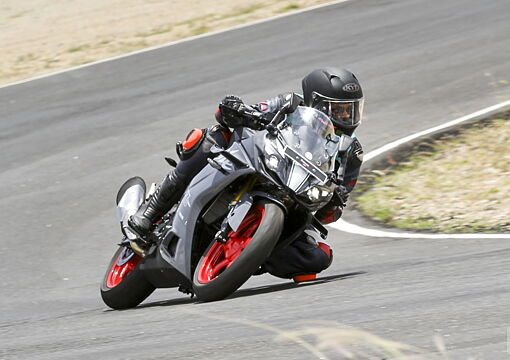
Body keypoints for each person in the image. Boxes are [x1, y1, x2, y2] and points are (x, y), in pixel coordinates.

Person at [126, 67, 364, 281]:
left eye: (351, 111)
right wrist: (236, 109)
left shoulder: (351, 151)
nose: (346, 117)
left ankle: (247, 254)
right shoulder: (291, 105)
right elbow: (250, 112)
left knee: (317, 258)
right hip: (265, 164)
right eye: (339, 110)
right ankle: (151, 210)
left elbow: (340, 197)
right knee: (212, 137)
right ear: (315, 103)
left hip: (296, 201)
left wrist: (333, 202)